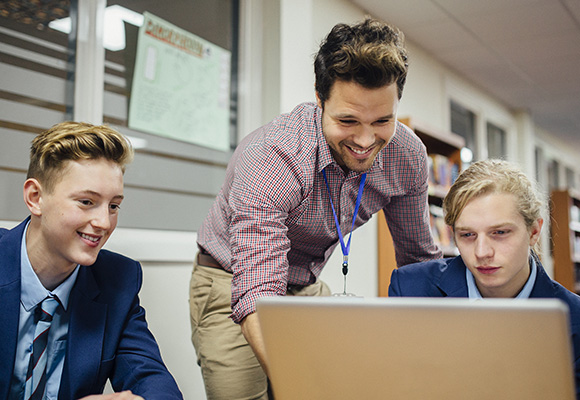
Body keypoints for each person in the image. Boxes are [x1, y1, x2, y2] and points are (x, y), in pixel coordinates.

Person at [190, 18, 442, 399]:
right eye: (347, 120)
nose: (365, 139)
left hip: (305, 286)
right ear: (319, 98)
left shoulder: (406, 155)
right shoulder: (273, 156)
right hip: (232, 282)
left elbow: (419, 262)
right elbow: (258, 290)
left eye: (382, 121)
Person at [0, 122, 183, 400]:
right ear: (35, 198)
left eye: (113, 206)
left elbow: (152, 380)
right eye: (86, 202)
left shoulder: (118, 279)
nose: (103, 223)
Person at [389, 159, 580, 397]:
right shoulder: (410, 288)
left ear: (534, 232)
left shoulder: (575, 319)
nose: (482, 252)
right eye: (467, 235)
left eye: (499, 233)